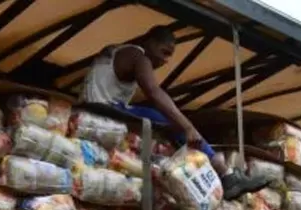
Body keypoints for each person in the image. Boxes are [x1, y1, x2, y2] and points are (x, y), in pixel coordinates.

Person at [82, 25, 270, 200]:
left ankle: (220, 172)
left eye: (169, 56)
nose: (165, 61)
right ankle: (223, 172)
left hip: (95, 109)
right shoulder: (137, 56)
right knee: (165, 119)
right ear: (150, 42)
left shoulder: (119, 53)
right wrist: (187, 127)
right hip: (103, 109)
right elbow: (154, 92)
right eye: (164, 52)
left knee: (164, 122)